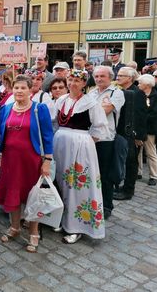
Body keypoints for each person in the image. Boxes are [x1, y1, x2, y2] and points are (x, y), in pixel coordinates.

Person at [0, 74, 54, 253]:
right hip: (10, 160)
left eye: (23, 88)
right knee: (13, 192)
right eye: (16, 88)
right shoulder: (6, 109)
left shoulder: (39, 109)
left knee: (32, 196)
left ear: (30, 90)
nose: (19, 91)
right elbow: (1, 135)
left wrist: (47, 161)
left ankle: (34, 232)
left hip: (31, 160)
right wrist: (0, 155)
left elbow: (48, 136)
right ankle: (15, 227)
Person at [54, 69, 109, 244]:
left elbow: (100, 127)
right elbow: (54, 122)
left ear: (84, 84)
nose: (72, 83)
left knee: (78, 186)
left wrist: (84, 143)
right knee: (61, 182)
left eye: (77, 80)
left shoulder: (90, 102)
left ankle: (77, 226)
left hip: (80, 146)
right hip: (60, 144)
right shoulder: (61, 100)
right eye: (70, 79)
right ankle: (61, 219)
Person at [87, 66, 125, 219]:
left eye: (102, 76)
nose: (99, 79)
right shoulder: (91, 92)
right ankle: (93, 203)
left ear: (110, 77)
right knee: (91, 174)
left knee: (105, 175)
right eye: (96, 76)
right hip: (90, 138)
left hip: (106, 138)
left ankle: (107, 206)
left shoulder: (117, 93)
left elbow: (105, 111)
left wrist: (92, 110)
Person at [114, 67, 148, 200]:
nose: (118, 77)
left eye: (121, 75)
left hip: (132, 133)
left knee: (131, 162)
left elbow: (142, 115)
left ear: (130, 78)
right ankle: (125, 185)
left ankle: (129, 190)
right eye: (118, 75)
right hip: (123, 130)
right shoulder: (122, 91)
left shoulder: (137, 92)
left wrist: (139, 136)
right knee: (125, 160)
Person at [137, 74, 157, 186]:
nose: (138, 85)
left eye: (140, 83)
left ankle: (153, 175)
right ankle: (138, 172)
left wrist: (142, 118)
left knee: (150, 152)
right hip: (139, 127)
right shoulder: (138, 94)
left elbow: (156, 112)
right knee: (138, 151)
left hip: (150, 128)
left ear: (147, 84)